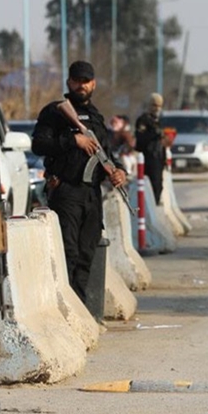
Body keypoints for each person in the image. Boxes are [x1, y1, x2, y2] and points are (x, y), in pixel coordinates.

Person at [32, 61, 127, 302]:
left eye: (86, 81)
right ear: (69, 82)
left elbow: (106, 154)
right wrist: (73, 142)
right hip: (66, 191)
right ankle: (68, 309)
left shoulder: (96, 117)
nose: (81, 85)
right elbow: (39, 145)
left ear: (93, 83)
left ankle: (81, 309)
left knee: (86, 254)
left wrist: (118, 171)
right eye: (76, 80)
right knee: (68, 252)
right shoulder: (55, 112)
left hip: (91, 195)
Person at [135, 93, 166, 204]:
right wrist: (154, 134)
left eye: (158, 106)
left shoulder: (158, 120)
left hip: (158, 155)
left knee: (158, 183)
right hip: (148, 155)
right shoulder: (143, 120)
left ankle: (155, 201)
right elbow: (141, 138)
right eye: (154, 105)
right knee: (151, 183)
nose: (156, 108)